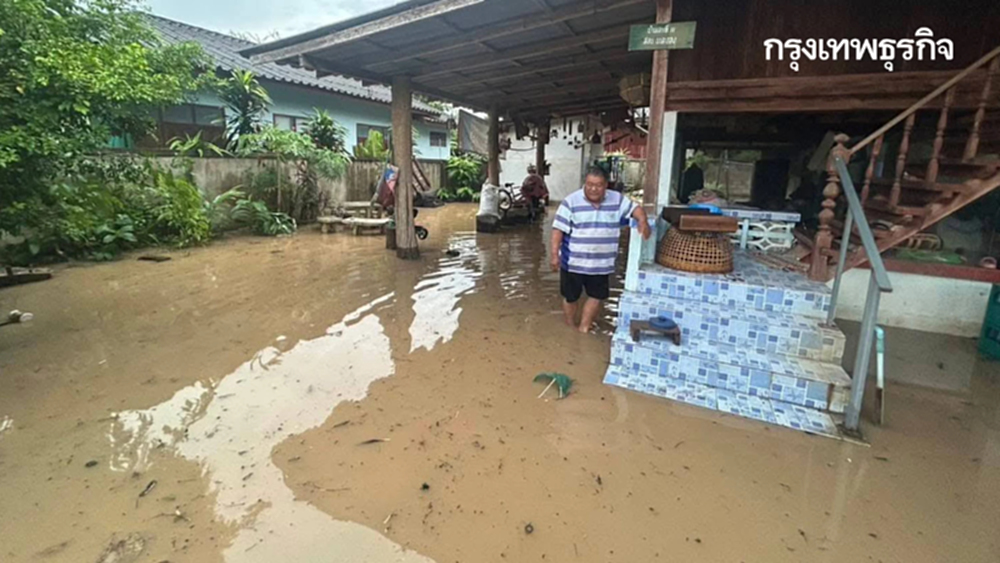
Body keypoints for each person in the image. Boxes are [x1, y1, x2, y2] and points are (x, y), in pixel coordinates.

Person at [550, 167, 651, 333]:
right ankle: (569, 326)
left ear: (606, 185)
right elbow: (558, 230)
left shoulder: (617, 199)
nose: (593, 189)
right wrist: (554, 255)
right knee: (571, 296)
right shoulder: (571, 201)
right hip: (574, 262)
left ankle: (584, 327)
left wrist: (643, 221)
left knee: (597, 295)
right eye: (589, 184)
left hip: (601, 264)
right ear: (585, 183)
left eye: (598, 185)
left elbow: (635, 209)